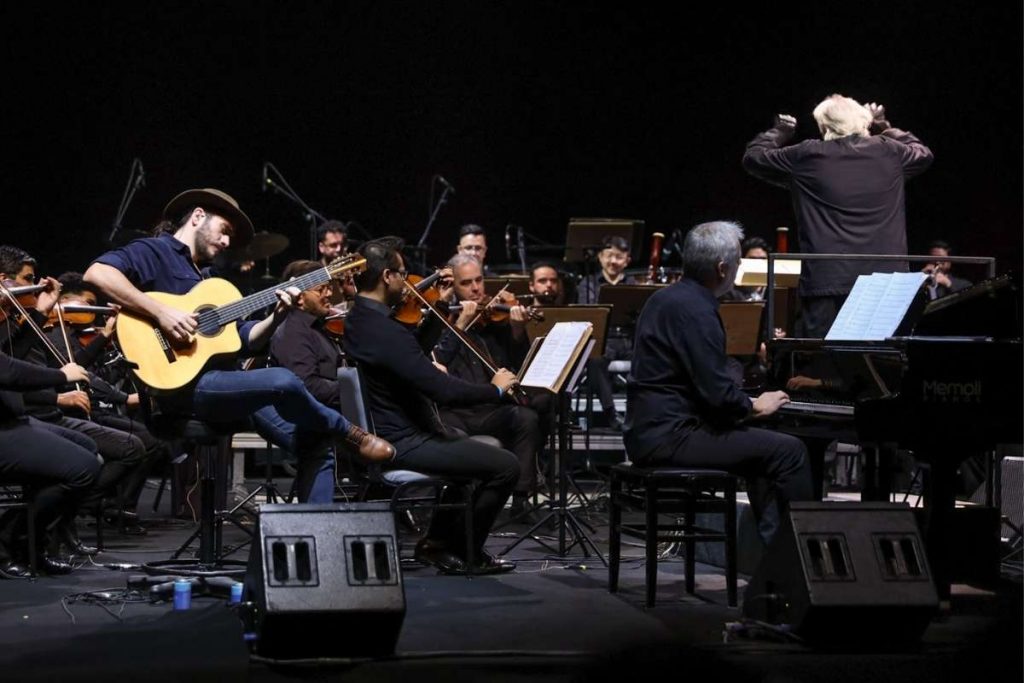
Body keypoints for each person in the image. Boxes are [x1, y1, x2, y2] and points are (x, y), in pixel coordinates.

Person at [83, 188, 393, 468]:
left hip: (222, 384)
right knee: (283, 379)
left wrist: (277, 316)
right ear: (198, 217)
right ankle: (348, 432)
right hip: (178, 388)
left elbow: (245, 340)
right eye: (224, 231)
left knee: (316, 447)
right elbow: (97, 274)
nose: (228, 242)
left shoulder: (209, 280)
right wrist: (161, 312)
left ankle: (321, 505)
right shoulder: (155, 251)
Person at [624, 221, 813, 545]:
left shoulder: (664, 298)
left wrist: (746, 408)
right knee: (790, 451)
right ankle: (800, 555)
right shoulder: (698, 310)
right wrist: (754, 405)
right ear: (722, 268)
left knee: (764, 452)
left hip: (648, 431)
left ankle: (774, 558)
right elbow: (717, 395)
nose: (739, 268)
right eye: (738, 261)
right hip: (672, 437)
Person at [343, 237, 520, 575]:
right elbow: (443, 391)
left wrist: (438, 304)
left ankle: (437, 545)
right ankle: (466, 553)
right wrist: (495, 390)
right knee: (506, 466)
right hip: (405, 441)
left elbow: (410, 352)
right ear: (387, 277)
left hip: (395, 432)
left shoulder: (361, 320)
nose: (408, 282)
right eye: (403, 274)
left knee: (470, 448)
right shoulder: (383, 330)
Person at [743, 95, 934, 337]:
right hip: (886, 283)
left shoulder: (807, 155)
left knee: (825, 357)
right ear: (863, 122)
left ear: (824, 127)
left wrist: (780, 131)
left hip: (828, 284)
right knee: (885, 356)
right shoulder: (889, 150)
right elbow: (923, 153)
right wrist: (884, 126)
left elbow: (754, 157)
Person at [432, 254, 544, 518]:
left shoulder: (494, 322)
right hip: (453, 411)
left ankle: (521, 500)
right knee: (449, 432)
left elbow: (517, 367)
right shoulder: (438, 318)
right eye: (466, 283)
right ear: (452, 286)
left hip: (490, 408)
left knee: (527, 417)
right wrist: (460, 325)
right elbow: (438, 360)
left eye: (479, 280)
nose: (475, 288)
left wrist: (517, 331)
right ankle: (460, 506)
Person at [0, 353, 100, 577]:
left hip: (13, 422)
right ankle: (12, 541)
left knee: (89, 448)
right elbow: (9, 371)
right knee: (84, 468)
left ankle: (30, 542)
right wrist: (61, 375)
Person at [265, 259, 349, 503]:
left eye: (329, 287)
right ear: (300, 297)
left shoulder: (319, 326)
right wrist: (353, 392)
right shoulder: (293, 330)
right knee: (318, 444)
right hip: (297, 416)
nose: (329, 294)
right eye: (321, 289)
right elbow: (306, 385)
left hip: (326, 411)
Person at [576, 235, 636, 429]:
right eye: (609, 255)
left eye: (619, 257)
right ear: (600, 257)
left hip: (629, 339)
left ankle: (641, 413)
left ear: (627, 260)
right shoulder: (588, 283)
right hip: (604, 339)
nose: (613, 261)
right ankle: (611, 413)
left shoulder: (634, 283)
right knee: (594, 359)